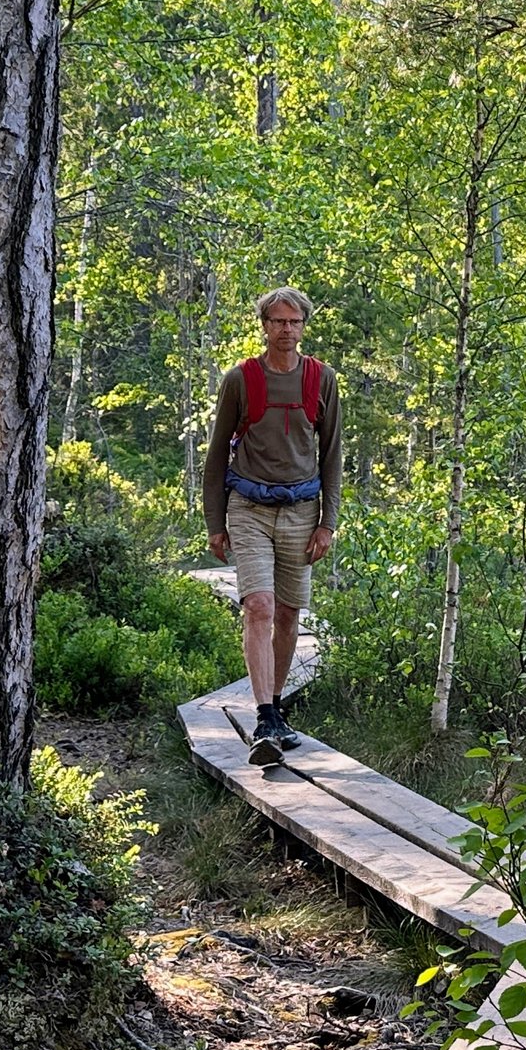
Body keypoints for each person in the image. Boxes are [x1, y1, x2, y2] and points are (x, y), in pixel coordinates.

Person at [204, 287, 342, 765]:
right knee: (258, 606)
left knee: (287, 615)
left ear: (304, 326)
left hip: (303, 512)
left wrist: (328, 523)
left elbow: (332, 455)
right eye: (278, 321)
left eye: (294, 321)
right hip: (248, 507)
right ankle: (264, 716)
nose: (286, 329)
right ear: (263, 325)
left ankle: (277, 708)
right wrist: (214, 521)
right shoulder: (240, 379)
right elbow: (217, 451)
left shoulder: (322, 379)